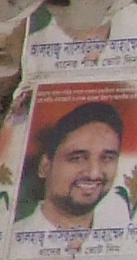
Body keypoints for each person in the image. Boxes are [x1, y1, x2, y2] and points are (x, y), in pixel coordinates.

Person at [26, 99, 128, 232]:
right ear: (45, 166)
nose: (94, 174)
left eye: (107, 158)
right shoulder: (14, 238)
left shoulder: (126, 238)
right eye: (77, 158)